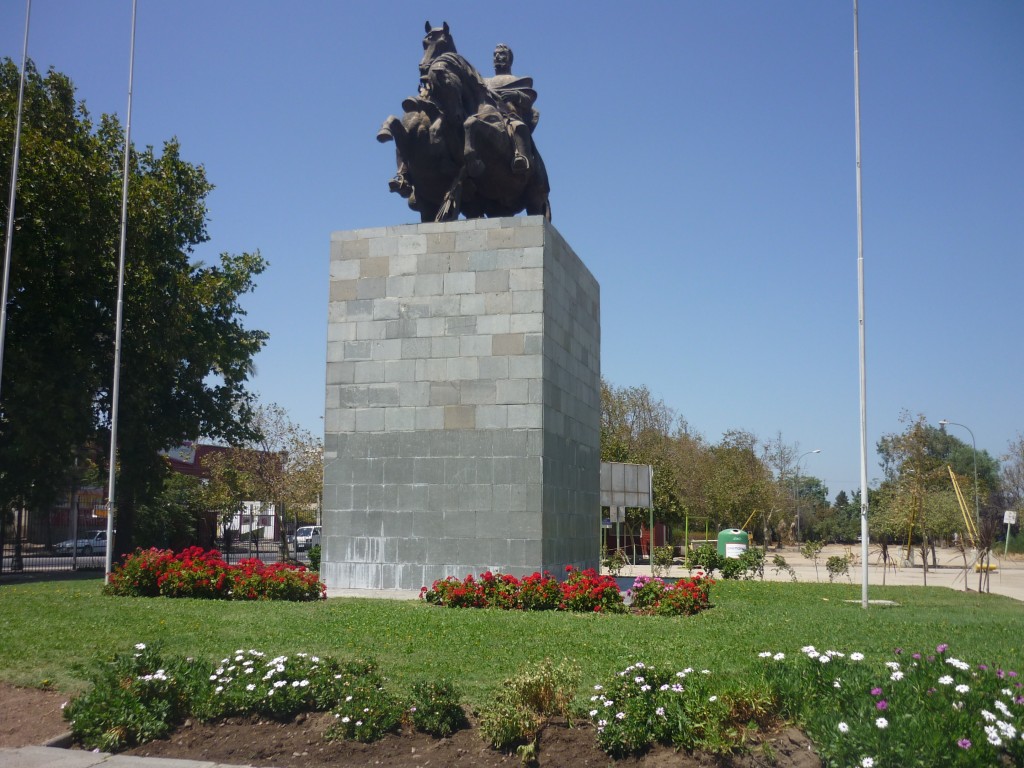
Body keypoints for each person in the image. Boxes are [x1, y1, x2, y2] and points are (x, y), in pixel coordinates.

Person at [485, 44, 538, 173]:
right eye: (495, 54)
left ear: (510, 59)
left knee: (518, 126)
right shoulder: (485, 81)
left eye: (502, 54)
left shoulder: (516, 80)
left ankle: (521, 156)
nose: (497, 56)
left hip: (509, 117)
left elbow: (529, 100)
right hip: (486, 116)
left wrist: (516, 94)